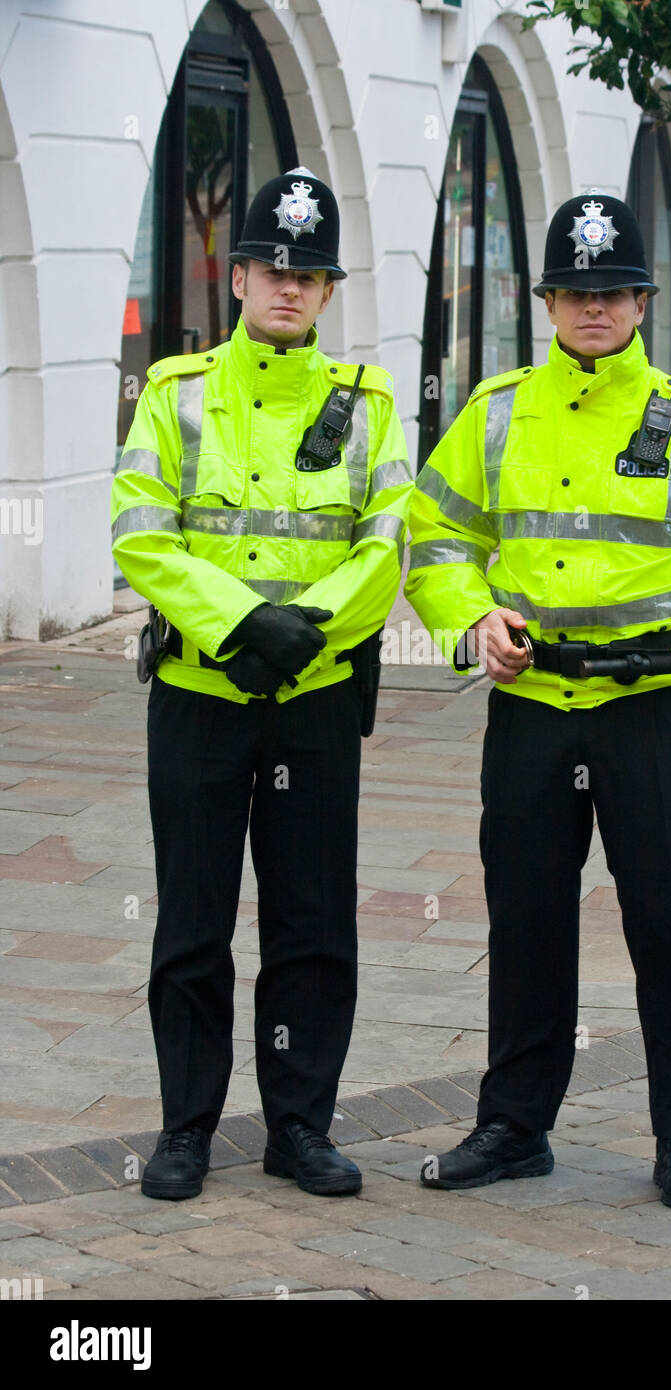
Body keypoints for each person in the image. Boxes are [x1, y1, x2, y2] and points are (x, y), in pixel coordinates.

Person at [405, 192, 671, 1208]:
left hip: (650, 710)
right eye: (574, 293)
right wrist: (470, 619)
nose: (592, 311)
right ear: (546, 301)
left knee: (669, 922)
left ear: (641, 301)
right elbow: (431, 542)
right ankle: (514, 1125)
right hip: (530, 709)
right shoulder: (492, 415)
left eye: (610, 293)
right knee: (526, 918)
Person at [111, 168, 412, 1201]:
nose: (289, 287)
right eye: (272, 268)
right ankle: (186, 1128)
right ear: (237, 275)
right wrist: (239, 621)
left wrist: (298, 633)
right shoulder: (175, 391)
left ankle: (299, 1127)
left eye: (310, 273)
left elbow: (385, 544)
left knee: (313, 923)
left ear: (328, 293)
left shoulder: (367, 404)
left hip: (314, 700)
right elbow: (141, 532)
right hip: (199, 694)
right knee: (192, 923)